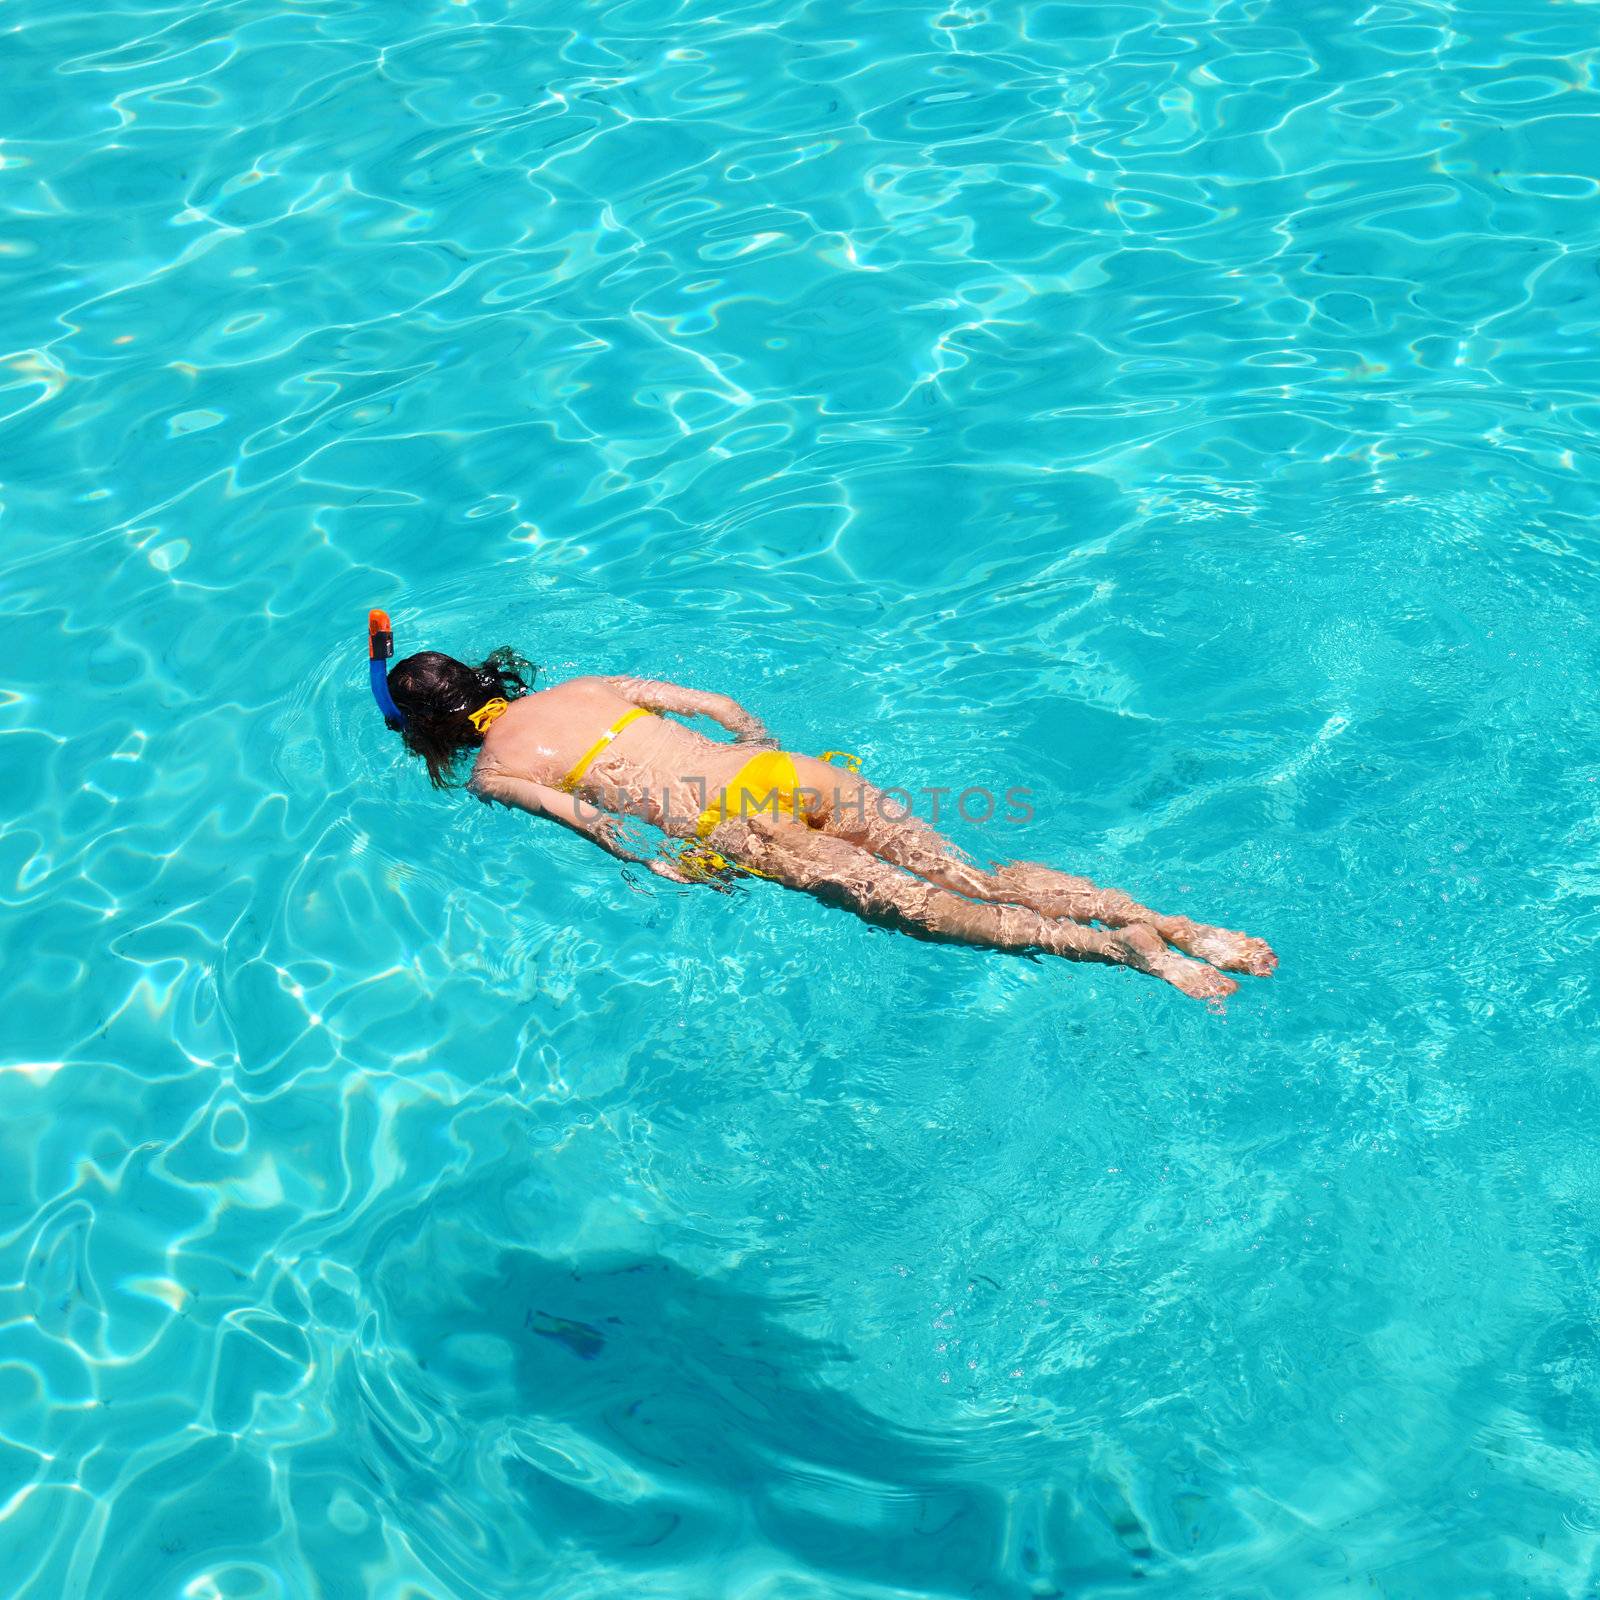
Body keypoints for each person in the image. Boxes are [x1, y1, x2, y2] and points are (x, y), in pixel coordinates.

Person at [369, 622, 1276, 1002]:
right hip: (788, 773)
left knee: (968, 923)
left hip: (735, 828)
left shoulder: (495, 771)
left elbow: (599, 828)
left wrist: (674, 869)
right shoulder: (583, 684)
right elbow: (720, 706)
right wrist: (761, 753)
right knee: (981, 874)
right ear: (483, 679)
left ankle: (1128, 952)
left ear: (427, 731)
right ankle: (1165, 919)